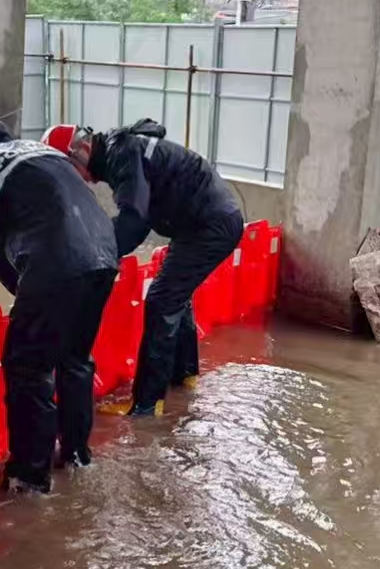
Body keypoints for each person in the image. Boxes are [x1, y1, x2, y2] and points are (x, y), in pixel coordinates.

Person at [0, 101, 119, 493]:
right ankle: (76, 455)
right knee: (75, 359)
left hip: (56, 260)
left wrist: (26, 296)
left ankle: (29, 478)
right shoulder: (35, 150)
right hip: (105, 254)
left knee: (27, 366)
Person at [50, 118, 243, 416]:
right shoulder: (121, 149)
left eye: (69, 170)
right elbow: (137, 214)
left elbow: (134, 222)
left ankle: (147, 404)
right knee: (176, 295)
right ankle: (184, 375)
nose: (75, 180)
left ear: (82, 151)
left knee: (161, 300)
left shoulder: (122, 155)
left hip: (208, 225)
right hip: (204, 222)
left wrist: (97, 257)